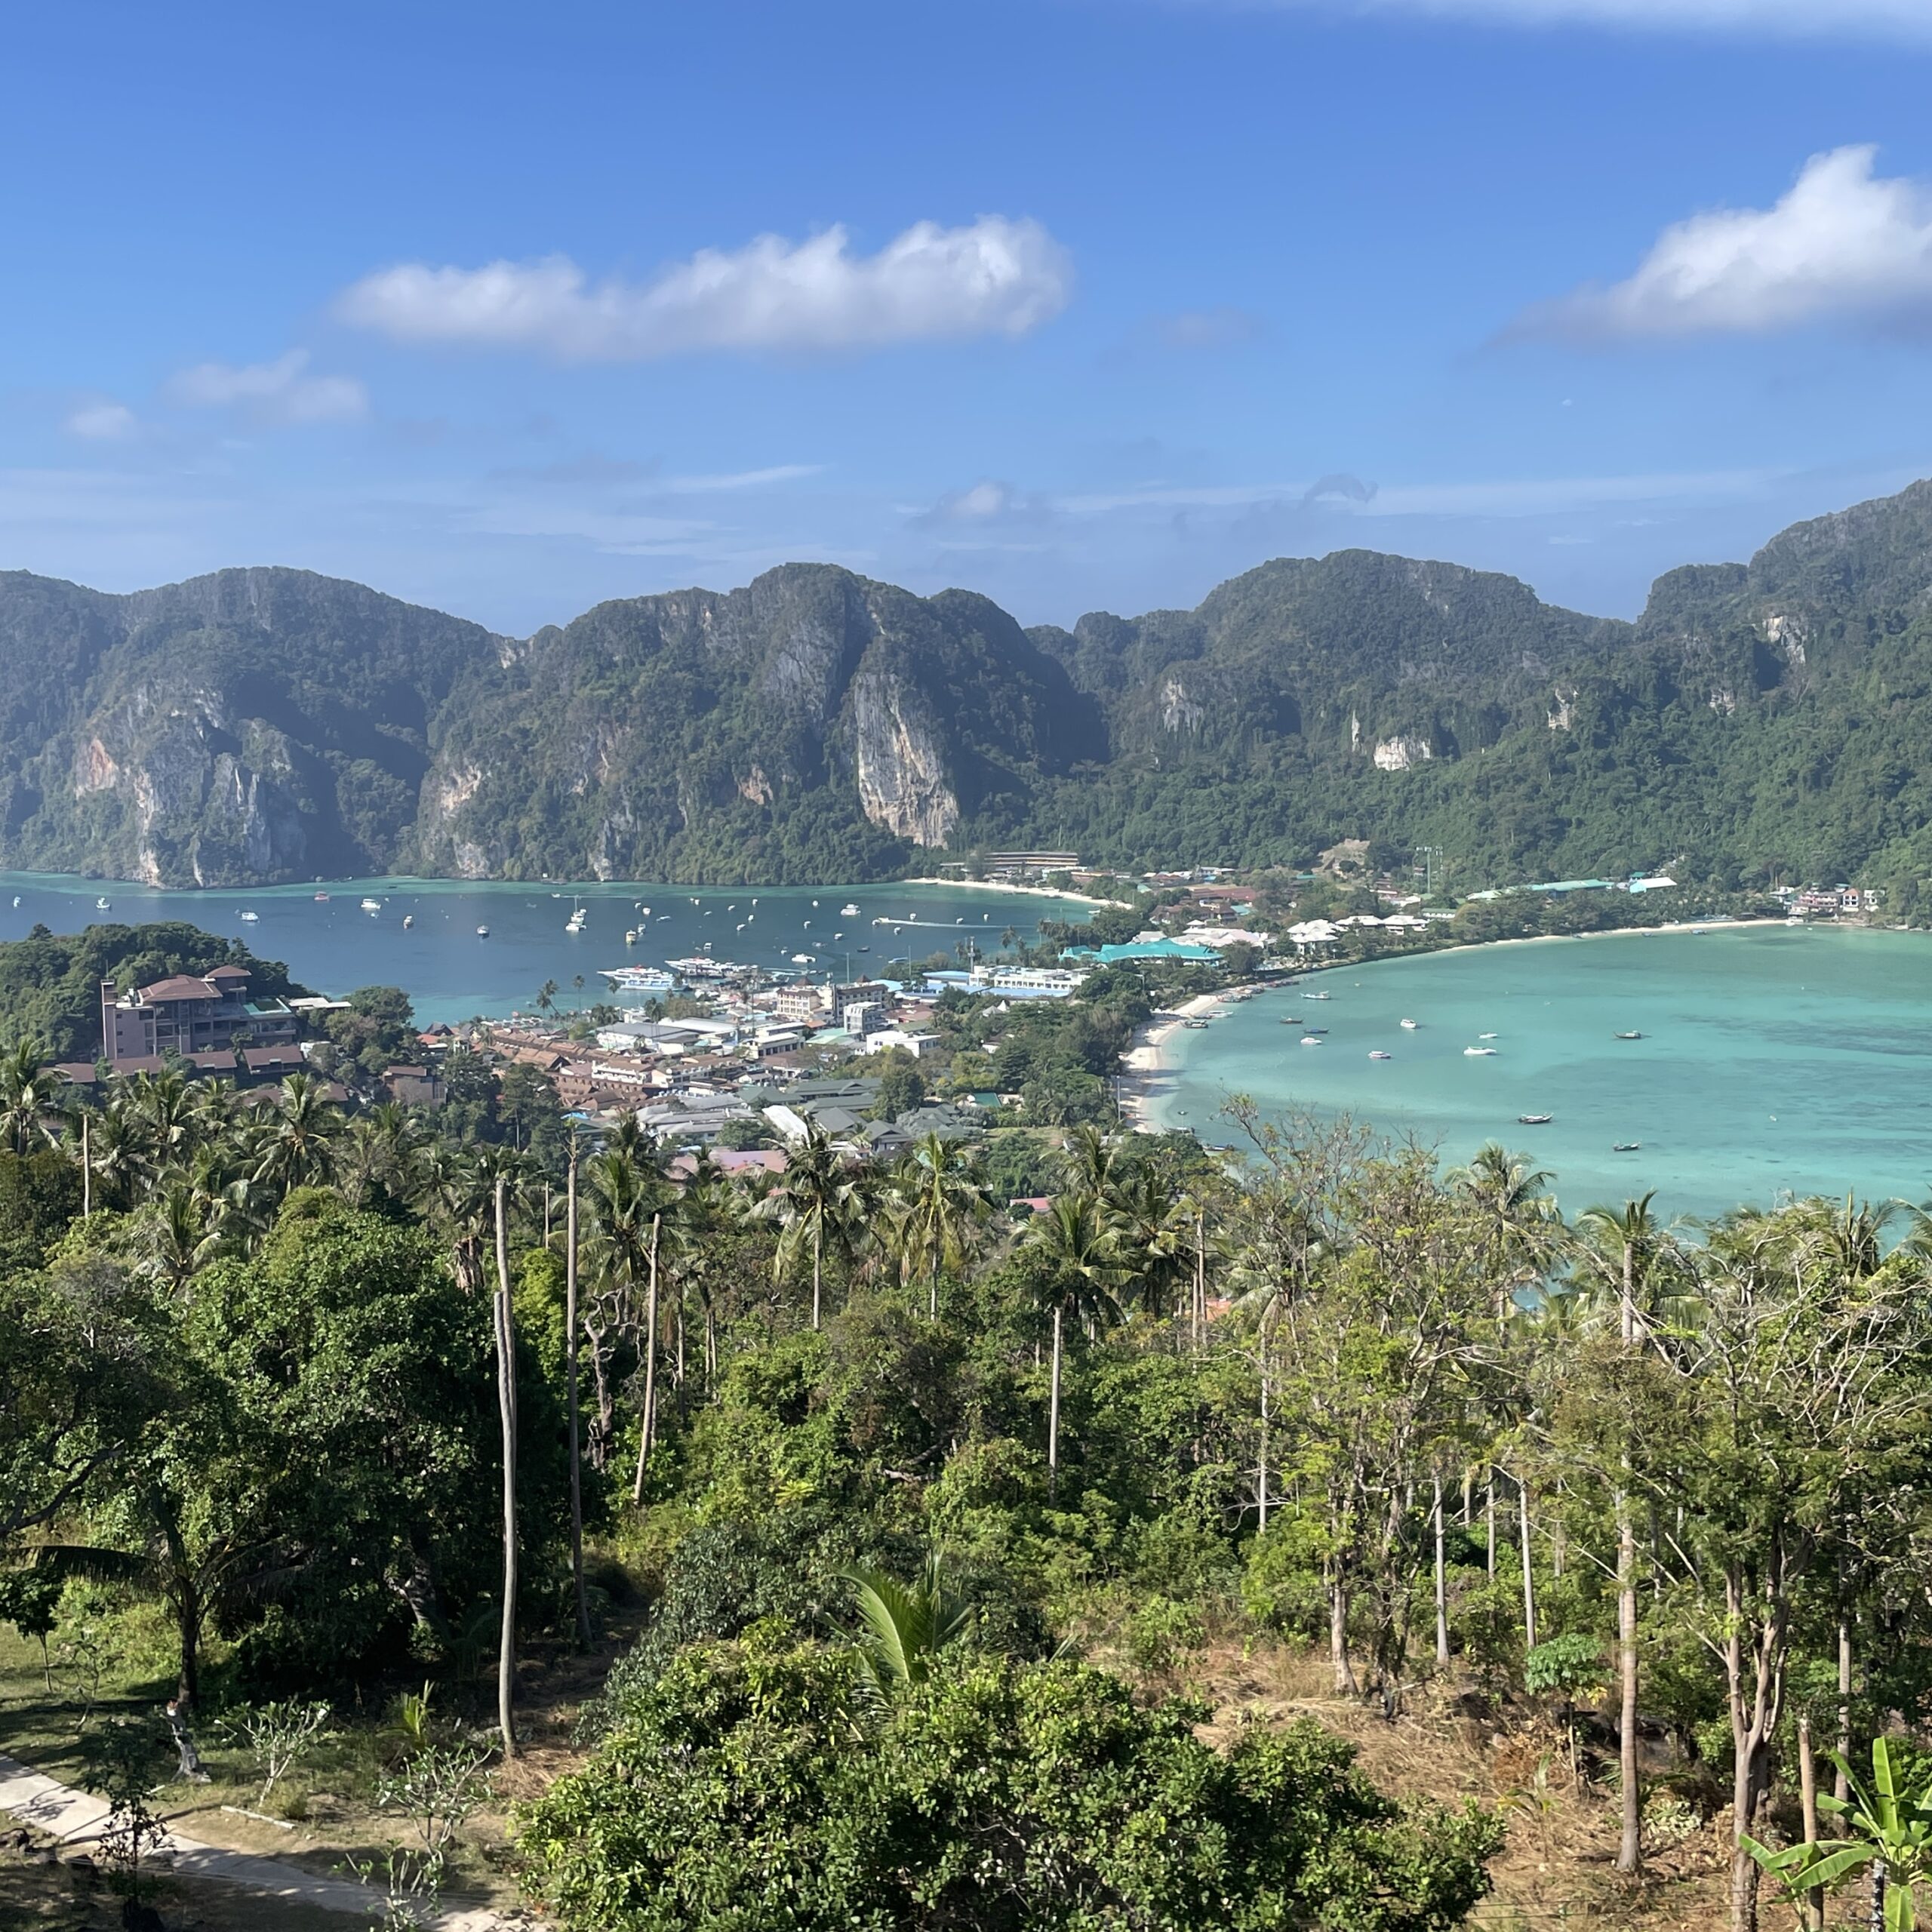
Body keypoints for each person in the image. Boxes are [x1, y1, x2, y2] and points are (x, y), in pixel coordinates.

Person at [164, 1698, 209, 1782]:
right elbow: (174, 1724)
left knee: (189, 1753)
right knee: (189, 1753)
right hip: (181, 1737)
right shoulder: (172, 1715)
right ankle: (193, 1771)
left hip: (183, 1736)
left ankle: (188, 1771)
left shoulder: (176, 1713)